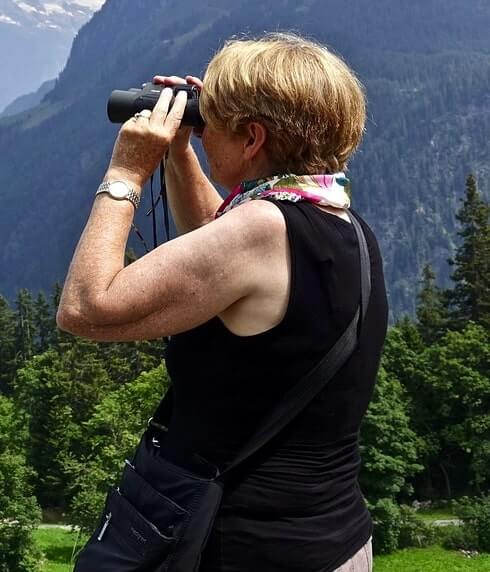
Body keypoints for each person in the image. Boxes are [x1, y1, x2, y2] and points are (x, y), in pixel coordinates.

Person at [57, 33, 388, 572]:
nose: (204, 129)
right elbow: (218, 243)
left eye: (212, 122)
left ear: (253, 138)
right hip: (328, 537)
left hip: (244, 544)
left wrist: (125, 173)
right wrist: (181, 150)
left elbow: (85, 308)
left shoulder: (261, 230)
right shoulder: (335, 221)